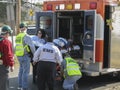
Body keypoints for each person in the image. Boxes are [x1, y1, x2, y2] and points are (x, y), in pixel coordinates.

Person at [15, 22, 35, 90]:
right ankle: (25, 87)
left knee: (21, 71)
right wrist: (35, 55)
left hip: (18, 55)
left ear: (20, 28)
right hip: (25, 56)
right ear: (25, 28)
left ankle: (20, 86)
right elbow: (32, 47)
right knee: (25, 72)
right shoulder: (26, 36)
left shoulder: (18, 36)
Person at [0, 25, 14, 90]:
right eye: (9, 33)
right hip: (3, 66)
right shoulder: (6, 42)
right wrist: (11, 65)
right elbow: (8, 55)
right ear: (7, 33)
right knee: (4, 84)